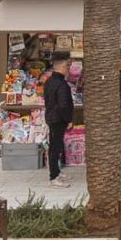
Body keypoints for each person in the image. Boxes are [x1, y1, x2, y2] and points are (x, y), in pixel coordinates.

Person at [40, 55, 76, 183]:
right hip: (58, 119)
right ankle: (53, 177)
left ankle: (56, 172)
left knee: (55, 146)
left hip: (52, 117)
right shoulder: (61, 84)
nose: (68, 69)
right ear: (61, 67)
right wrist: (68, 119)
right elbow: (63, 105)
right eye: (67, 66)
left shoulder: (50, 81)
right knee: (55, 147)